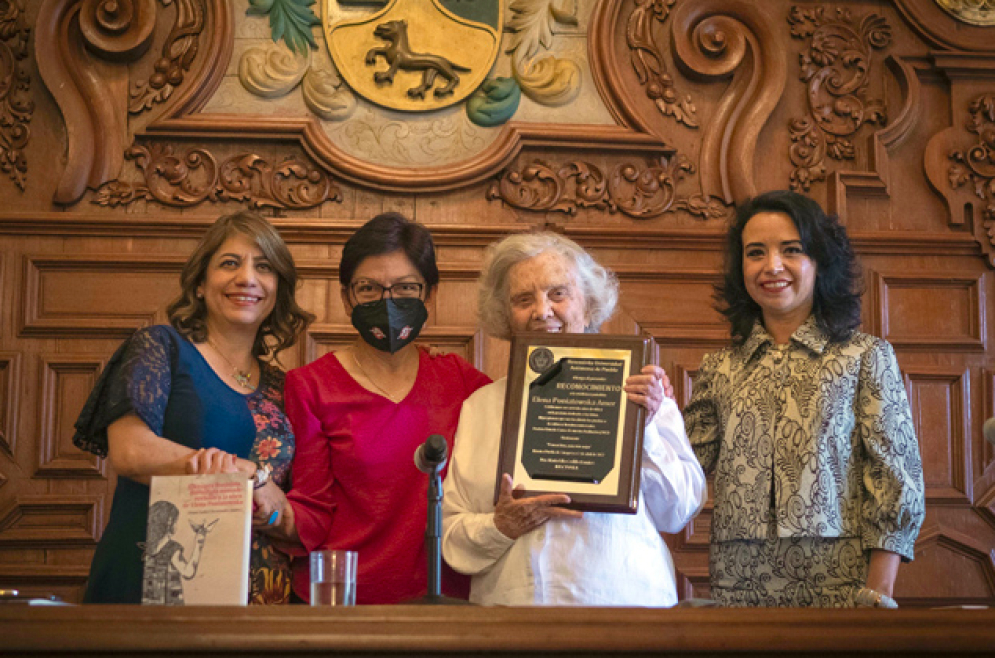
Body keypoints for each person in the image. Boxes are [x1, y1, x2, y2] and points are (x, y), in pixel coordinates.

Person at [682, 190, 925, 608]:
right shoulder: (718, 368)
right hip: (738, 586)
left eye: (791, 250)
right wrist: (653, 415)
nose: (772, 266)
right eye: (755, 252)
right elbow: (681, 469)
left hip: (841, 587)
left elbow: (896, 480)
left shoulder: (865, 356)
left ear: (819, 261)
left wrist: (879, 590)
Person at [441, 232, 707, 606]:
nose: (542, 311)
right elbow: (451, 534)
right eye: (523, 299)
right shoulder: (481, 405)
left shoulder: (644, 391)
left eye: (558, 294)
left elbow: (677, 513)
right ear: (506, 315)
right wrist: (500, 527)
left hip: (623, 610)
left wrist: (642, 429)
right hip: (511, 617)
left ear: (589, 303)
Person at [73, 210, 314, 604]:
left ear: (277, 288)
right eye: (230, 263)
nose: (247, 278)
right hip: (154, 586)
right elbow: (131, 452)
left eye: (264, 267)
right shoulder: (162, 348)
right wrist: (250, 475)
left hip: (261, 602)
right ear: (201, 284)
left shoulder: (283, 387)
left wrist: (270, 513)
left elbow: (287, 508)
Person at [261, 212, 492, 604]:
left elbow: (528, 422)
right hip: (344, 601)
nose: (388, 301)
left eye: (405, 288)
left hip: (445, 601)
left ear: (430, 294)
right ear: (346, 295)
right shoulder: (311, 385)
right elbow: (313, 509)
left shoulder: (461, 381)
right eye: (368, 288)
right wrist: (267, 511)